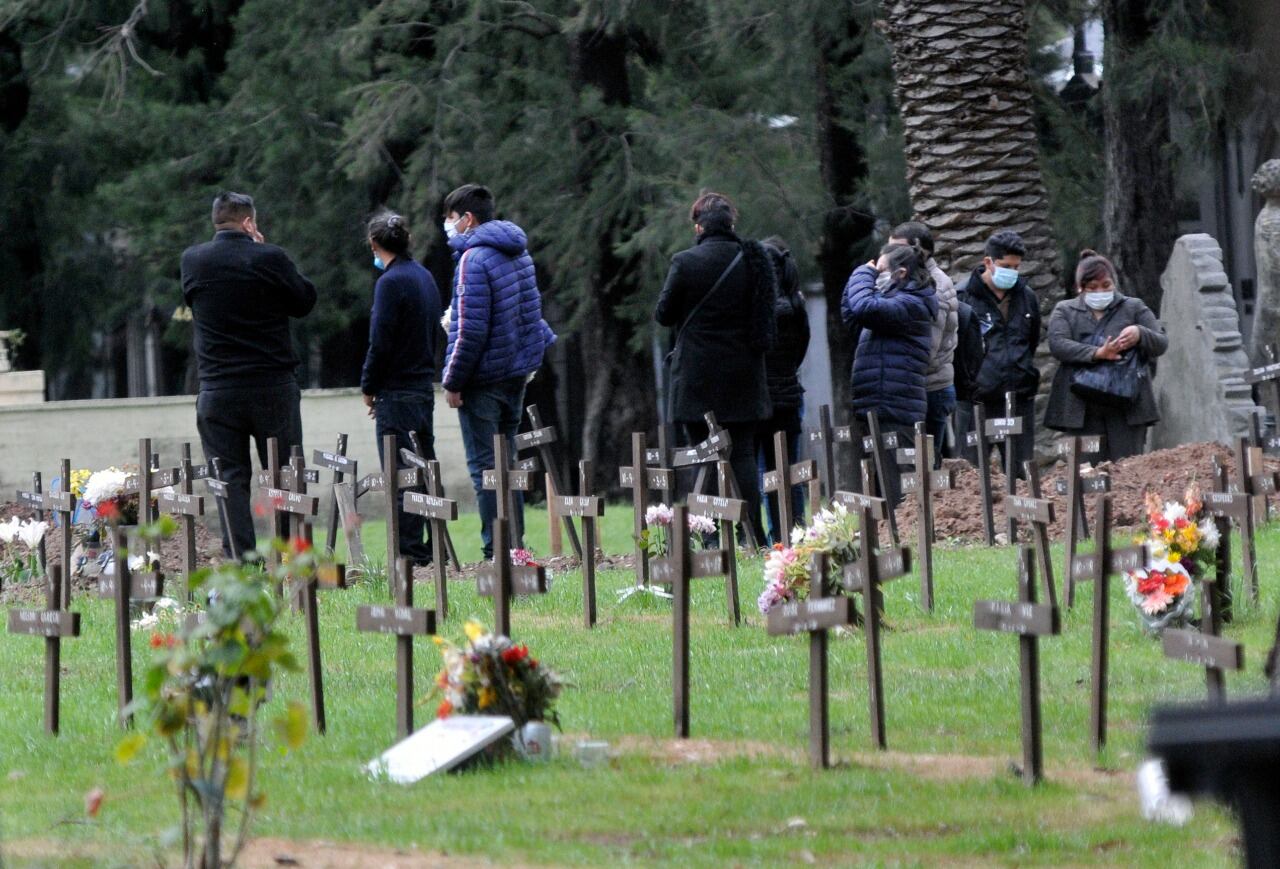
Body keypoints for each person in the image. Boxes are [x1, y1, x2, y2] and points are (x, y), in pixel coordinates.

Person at [182, 191, 317, 558]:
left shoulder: (192, 261)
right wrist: (265, 253)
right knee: (285, 472)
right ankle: (293, 556)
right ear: (249, 222)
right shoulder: (269, 258)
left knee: (228, 478)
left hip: (218, 388)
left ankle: (242, 558)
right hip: (271, 385)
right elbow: (304, 300)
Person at [440, 183, 555, 560]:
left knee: (485, 471)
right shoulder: (518, 253)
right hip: (514, 376)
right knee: (507, 466)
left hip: (482, 380)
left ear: (468, 219)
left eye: (451, 219)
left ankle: (496, 551)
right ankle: (516, 547)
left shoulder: (472, 260)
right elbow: (530, 314)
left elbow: (469, 329)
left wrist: (453, 380)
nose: (448, 225)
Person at [655, 191, 776, 547]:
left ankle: (709, 538)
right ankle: (749, 534)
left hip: (698, 377)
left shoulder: (685, 262)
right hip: (744, 375)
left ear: (698, 227)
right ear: (732, 224)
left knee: (704, 457)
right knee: (742, 456)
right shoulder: (753, 261)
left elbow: (664, 314)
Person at [361, 210, 442, 566]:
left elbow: (381, 341)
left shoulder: (389, 283)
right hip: (423, 387)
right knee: (423, 471)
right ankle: (430, 546)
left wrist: (369, 384)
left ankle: (409, 552)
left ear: (374, 244)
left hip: (396, 391)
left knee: (401, 477)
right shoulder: (424, 276)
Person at [1045, 249, 1168, 462]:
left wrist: (1140, 334)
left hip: (1127, 406)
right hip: (1082, 407)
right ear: (1080, 287)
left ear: (1114, 283)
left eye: (1106, 285)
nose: (1100, 291)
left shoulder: (1133, 307)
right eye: (1092, 287)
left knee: (1128, 470)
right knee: (1085, 475)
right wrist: (1098, 353)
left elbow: (1161, 342)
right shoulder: (1065, 310)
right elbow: (1058, 344)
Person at [841, 244, 938, 507]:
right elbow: (851, 313)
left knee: (898, 487)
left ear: (901, 273)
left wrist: (862, 273)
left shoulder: (913, 303)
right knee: (877, 482)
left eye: (881, 269)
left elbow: (864, 307)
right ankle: (887, 538)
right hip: (878, 402)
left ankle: (907, 541)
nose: (875, 274)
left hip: (896, 404)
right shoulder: (891, 298)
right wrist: (861, 277)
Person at [956, 229, 1040, 480]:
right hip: (975, 403)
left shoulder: (1027, 297)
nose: (1012, 273)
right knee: (970, 476)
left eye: (1016, 267)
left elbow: (1031, 341)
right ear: (988, 262)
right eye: (1006, 266)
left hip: (1018, 399)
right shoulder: (963, 298)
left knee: (1021, 475)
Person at [889, 222, 957, 468]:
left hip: (929, 388)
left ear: (919, 251)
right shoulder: (902, 278)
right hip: (907, 389)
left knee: (925, 470)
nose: (889, 255)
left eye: (896, 249)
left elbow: (926, 349)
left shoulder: (937, 285)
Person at [757, 236, 810, 544]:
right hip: (789, 396)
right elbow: (801, 348)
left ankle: (766, 537)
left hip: (760, 399)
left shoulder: (756, 309)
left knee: (761, 471)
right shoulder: (796, 304)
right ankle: (792, 533)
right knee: (789, 474)